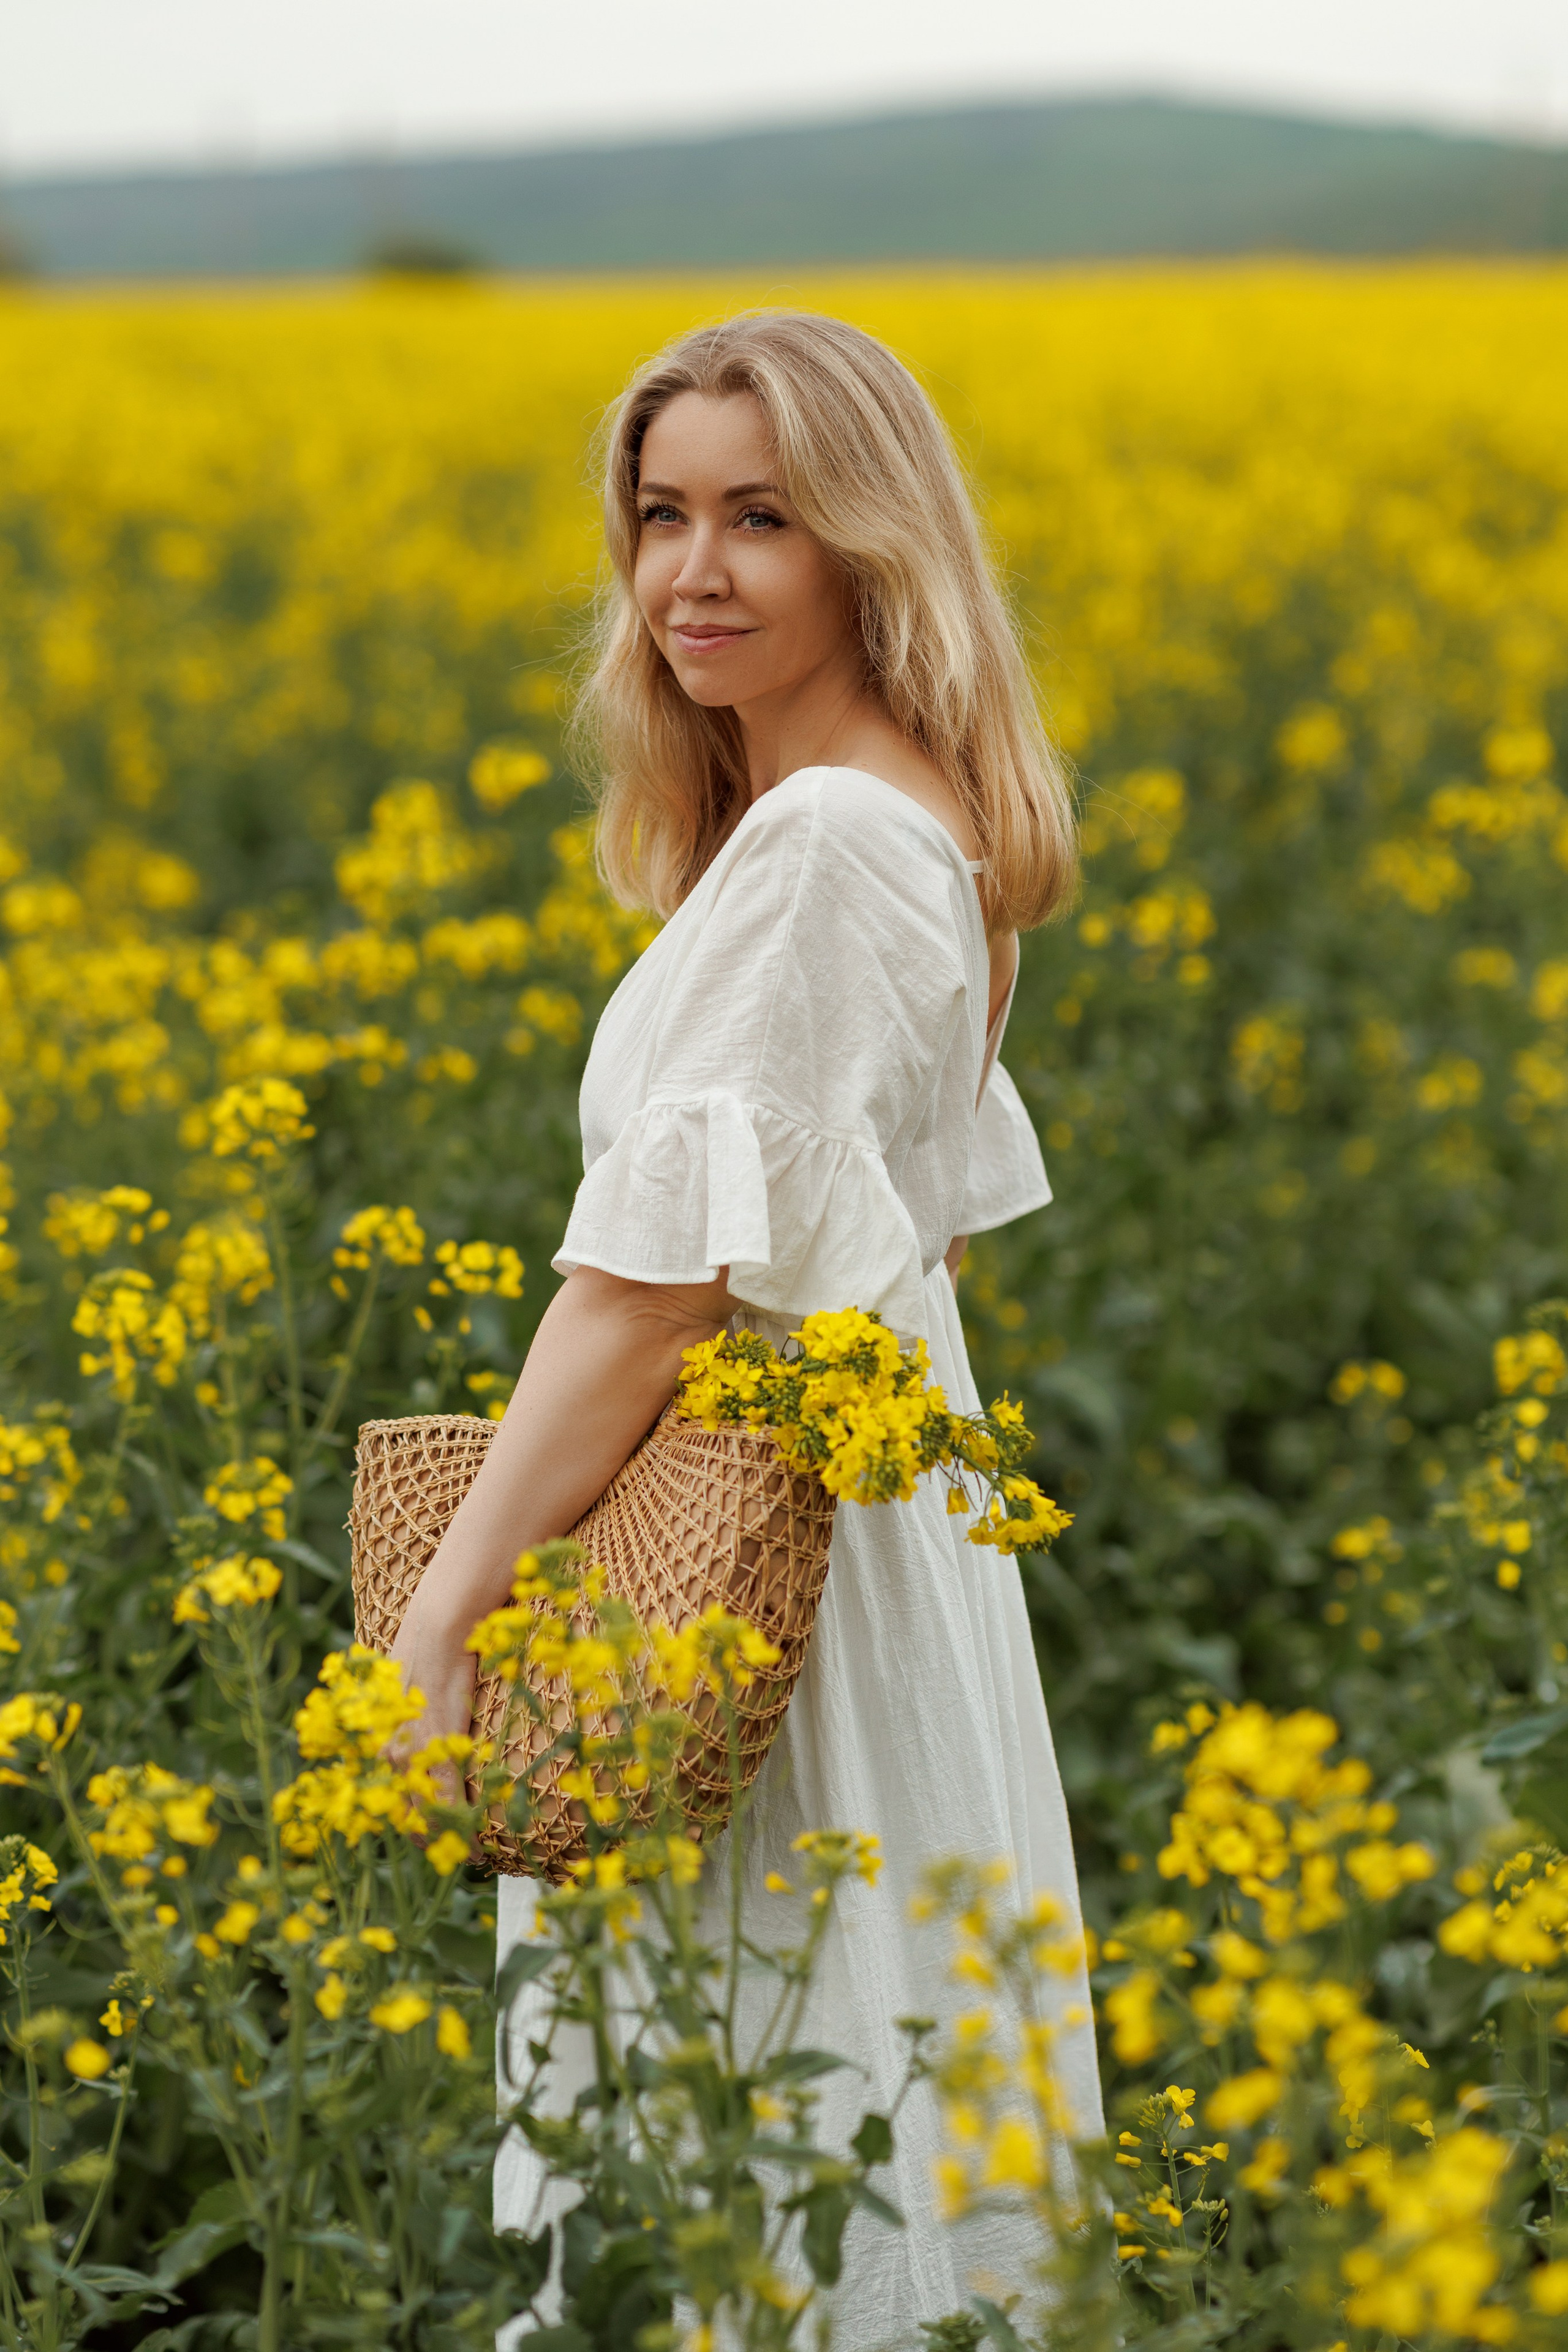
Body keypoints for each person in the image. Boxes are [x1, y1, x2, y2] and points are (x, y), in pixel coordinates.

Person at [389, 309, 1104, 2342]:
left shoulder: (820, 847)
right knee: (828, 2109)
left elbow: (646, 1295)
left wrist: (452, 1620)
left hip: (743, 1584)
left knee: (727, 2134)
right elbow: (912, 1260)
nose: (692, 573)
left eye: (763, 519)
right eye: (659, 515)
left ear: (871, 549)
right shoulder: (919, 819)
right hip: (844, 1553)